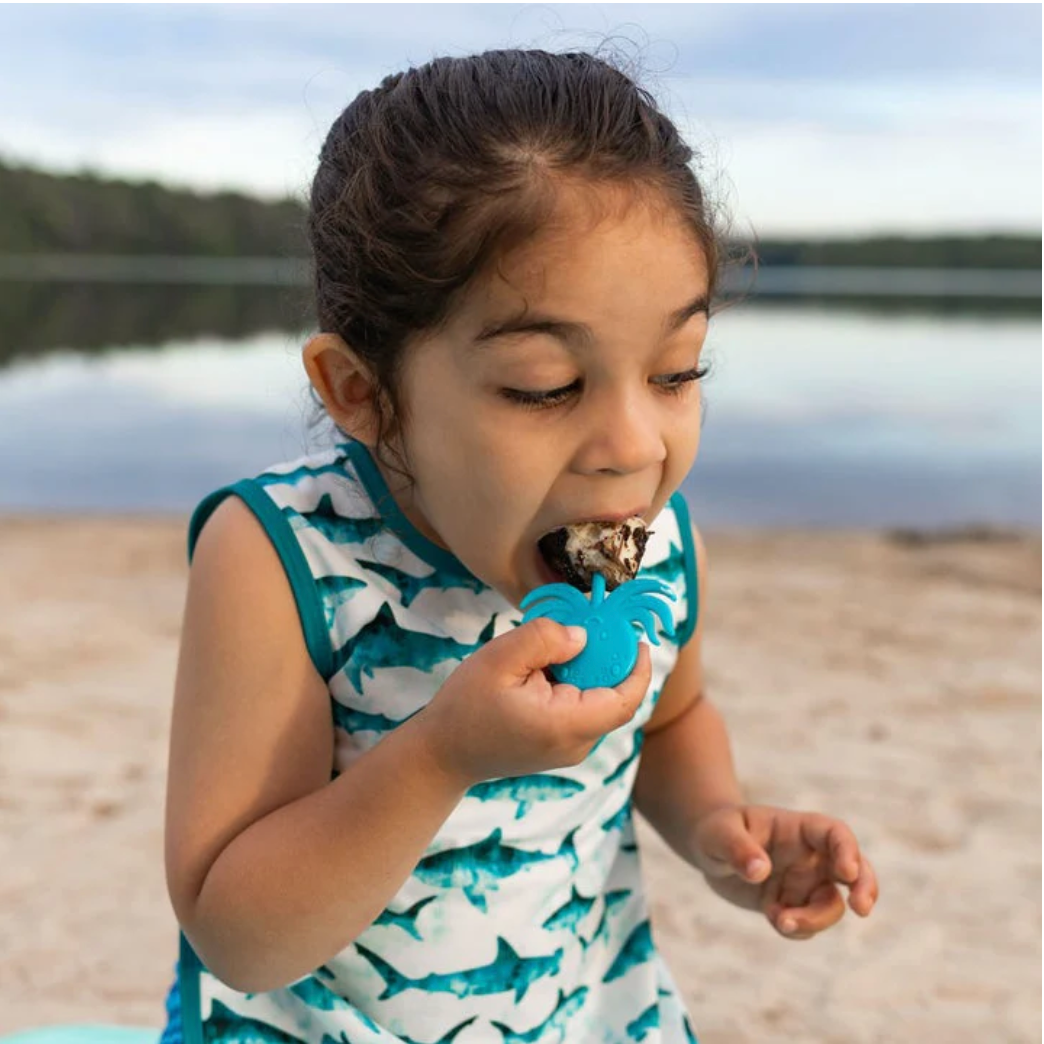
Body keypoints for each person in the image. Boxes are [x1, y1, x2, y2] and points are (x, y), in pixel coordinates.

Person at [160, 49, 878, 1044]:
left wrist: (722, 830)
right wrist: (440, 756)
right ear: (362, 393)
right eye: (545, 386)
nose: (634, 447)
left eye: (677, 370)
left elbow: (669, 723)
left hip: (583, 1015)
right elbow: (235, 932)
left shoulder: (644, 543)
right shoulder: (283, 559)